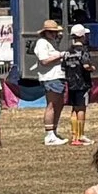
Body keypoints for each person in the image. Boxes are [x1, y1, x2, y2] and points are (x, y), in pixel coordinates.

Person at [32, 18, 68, 146]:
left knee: (59, 104)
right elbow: (44, 60)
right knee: (52, 105)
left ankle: (54, 130)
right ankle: (49, 134)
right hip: (50, 77)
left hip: (58, 75)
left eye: (55, 32)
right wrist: (60, 55)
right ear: (45, 32)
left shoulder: (52, 42)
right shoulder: (42, 43)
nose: (54, 34)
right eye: (51, 32)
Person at [59, 23, 94, 145]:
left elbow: (63, 68)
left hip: (71, 83)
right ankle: (80, 135)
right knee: (81, 109)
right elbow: (85, 65)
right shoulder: (83, 51)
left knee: (74, 109)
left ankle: (74, 136)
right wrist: (91, 68)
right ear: (82, 36)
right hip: (82, 84)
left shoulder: (67, 52)